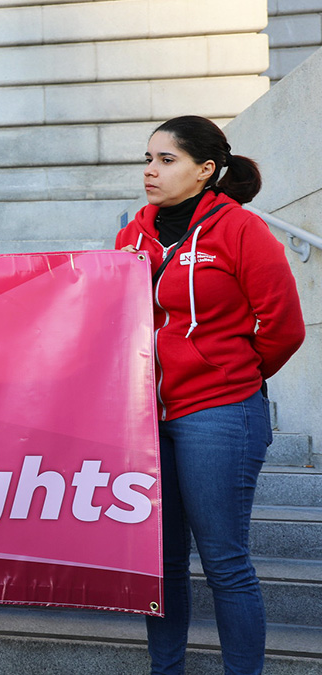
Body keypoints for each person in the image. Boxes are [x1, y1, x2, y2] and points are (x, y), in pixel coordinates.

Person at [116, 116, 305, 675]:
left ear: (205, 170)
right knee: (163, 565)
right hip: (149, 419)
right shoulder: (132, 234)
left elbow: (284, 325)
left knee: (225, 563)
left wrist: (231, 374)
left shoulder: (241, 229)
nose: (150, 170)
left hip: (219, 413)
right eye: (147, 159)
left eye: (166, 160)